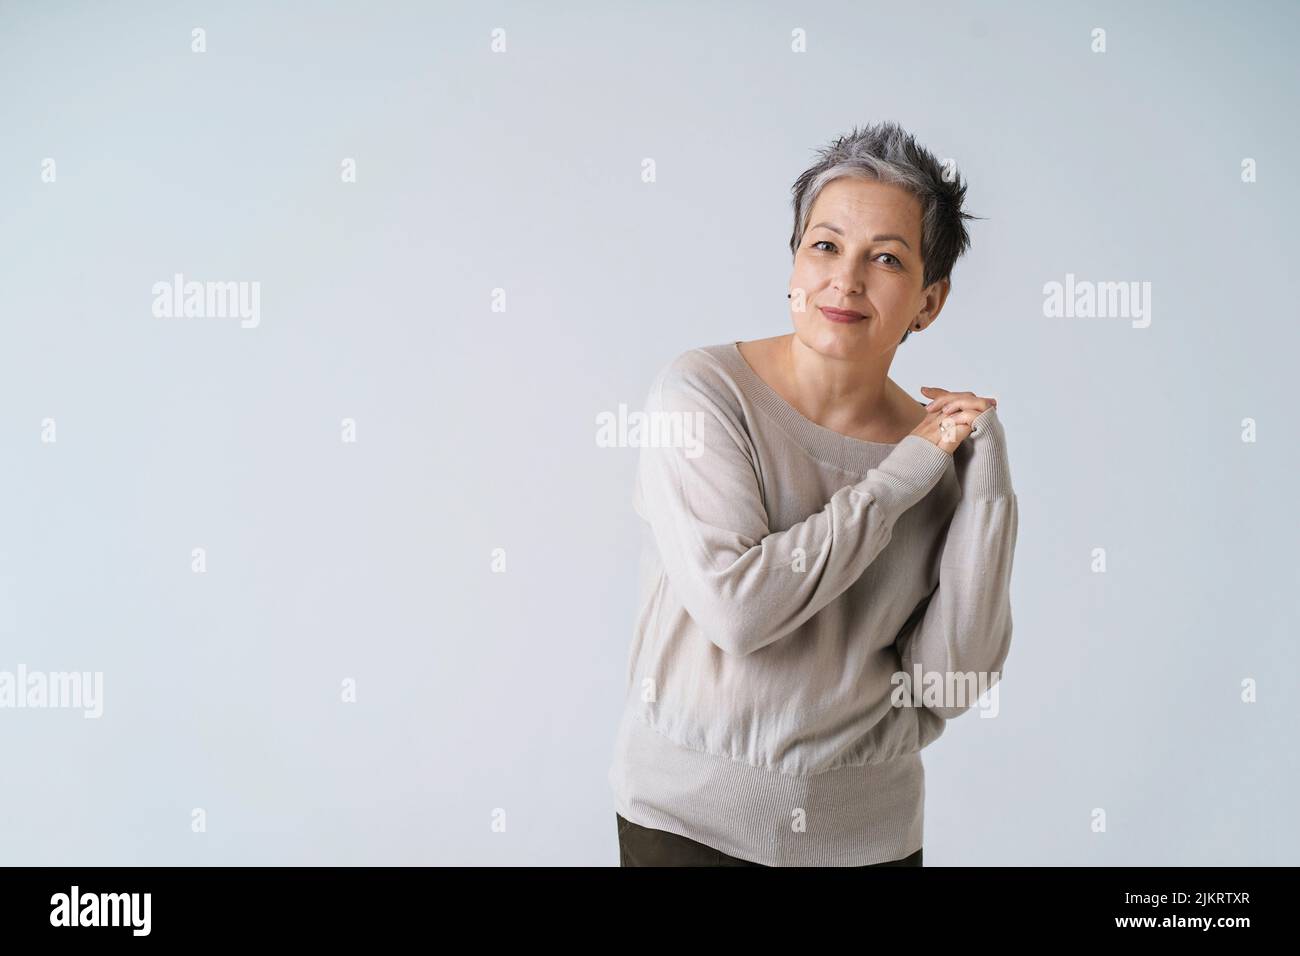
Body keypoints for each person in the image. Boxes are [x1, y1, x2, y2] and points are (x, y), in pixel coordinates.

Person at [607, 121, 1019, 867]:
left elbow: (948, 684)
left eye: (885, 259)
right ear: (793, 265)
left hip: (872, 841)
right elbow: (739, 610)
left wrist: (986, 483)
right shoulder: (703, 394)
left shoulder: (947, 457)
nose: (846, 280)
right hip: (687, 828)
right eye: (824, 246)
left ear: (929, 302)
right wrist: (904, 474)